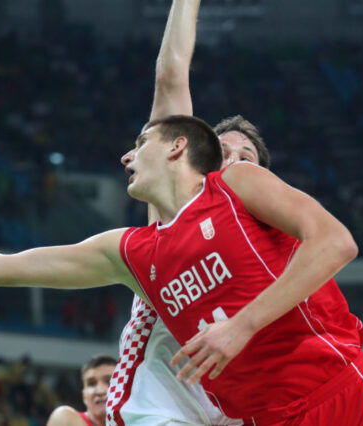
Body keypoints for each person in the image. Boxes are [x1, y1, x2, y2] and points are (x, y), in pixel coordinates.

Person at [0, 111, 363, 424]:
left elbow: (336, 243)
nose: (127, 155)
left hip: (336, 390)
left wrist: (241, 325)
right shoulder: (130, 251)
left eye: (141, 141)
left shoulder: (235, 184)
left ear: (179, 147)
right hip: (261, 418)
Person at [106, 1, 265, 425]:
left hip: (243, 400)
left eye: (245, 156)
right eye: (222, 153)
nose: (232, 161)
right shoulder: (177, 200)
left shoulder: (275, 238)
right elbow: (171, 75)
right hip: (167, 398)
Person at [47, 355, 117, 426]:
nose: (100, 391)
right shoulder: (64, 417)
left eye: (109, 381)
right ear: (84, 396)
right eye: (92, 384)